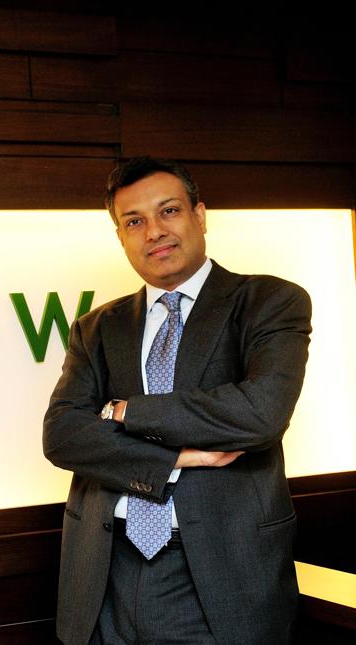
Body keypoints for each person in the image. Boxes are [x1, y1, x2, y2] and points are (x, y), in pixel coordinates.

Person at [43, 157, 312, 644]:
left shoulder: (268, 302)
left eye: (168, 211)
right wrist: (175, 458)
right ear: (120, 237)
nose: (154, 232)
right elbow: (62, 434)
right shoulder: (96, 328)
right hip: (104, 572)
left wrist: (125, 411)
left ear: (200, 215)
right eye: (134, 221)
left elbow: (260, 413)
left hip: (219, 573)